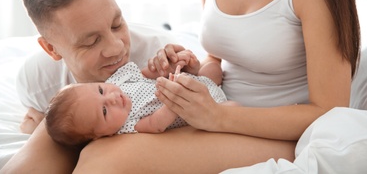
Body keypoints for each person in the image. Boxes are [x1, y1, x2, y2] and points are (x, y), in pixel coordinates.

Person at [0, 0, 360, 173]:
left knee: (107, 158)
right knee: (64, 122)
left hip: (271, 130)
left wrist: (219, 116)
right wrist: (192, 70)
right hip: (210, 108)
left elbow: (330, 111)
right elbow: (219, 59)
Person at [45, 60, 230, 146]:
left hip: (196, 82)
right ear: (99, 136)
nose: (111, 98)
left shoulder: (116, 81)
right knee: (232, 109)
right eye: (104, 111)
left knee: (213, 69)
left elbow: (144, 75)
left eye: (100, 90)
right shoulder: (127, 126)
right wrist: (174, 100)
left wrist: (161, 68)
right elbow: (156, 124)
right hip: (205, 109)